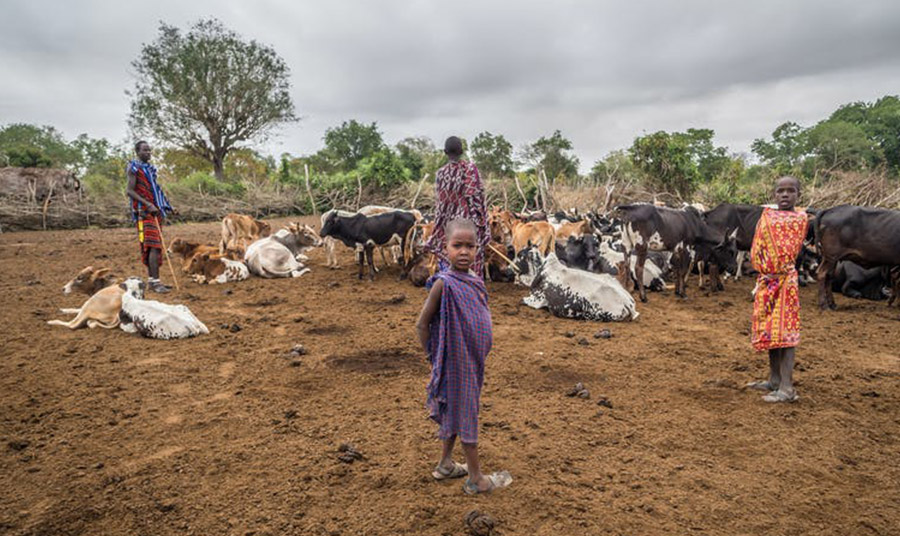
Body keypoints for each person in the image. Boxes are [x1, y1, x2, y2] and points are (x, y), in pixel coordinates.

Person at [415, 219, 511, 494]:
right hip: (455, 364)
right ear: (445, 248)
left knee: (457, 412)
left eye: (470, 246)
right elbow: (422, 324)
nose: (464, 252)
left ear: (478, 249)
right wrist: (435, 358)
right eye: (457, 246)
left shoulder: (476, 281)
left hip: (473, 362)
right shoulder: (443, 285)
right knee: (466, 414)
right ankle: (476, 479)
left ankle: (445, 464)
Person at [746, 176, 809, 403]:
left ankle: (787, 388)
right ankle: (774, 380)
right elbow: (757, 245)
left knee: (786, 333)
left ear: (798, 195)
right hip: (766, 279)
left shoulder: (799, 220)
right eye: (780, 191)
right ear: (774, 195)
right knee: (772, 330)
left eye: (790, 191)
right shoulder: (767, 216)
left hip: (784, 282)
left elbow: (786, 250)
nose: (785, 195)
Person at [424, 136, 490, 276]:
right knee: (473, 268)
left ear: (445, 152)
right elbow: (477, 201)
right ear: (461, 151)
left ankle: (452, 292)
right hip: (469, 229)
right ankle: (471, 294)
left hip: (450, 230)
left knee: (450, 266)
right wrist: (483, 227)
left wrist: (438, 231)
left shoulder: (441, 174)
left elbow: (441, 206)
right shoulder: (471, 170)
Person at [125, 140, 175, 293]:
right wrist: (148, 204)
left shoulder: (150, 169)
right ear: (137, 152)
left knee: (156, 246)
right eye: (145, 150)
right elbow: (130, 191)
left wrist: (167, 206)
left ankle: (154, 281)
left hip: (155, 211)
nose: (148, 153)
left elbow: (156, 190)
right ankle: (155, 283)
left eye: (149, 150)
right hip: (145, 212)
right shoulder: (134, 168)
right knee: (153, 246)